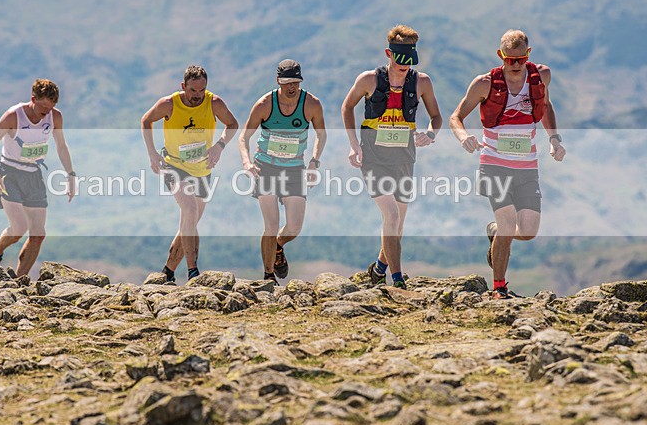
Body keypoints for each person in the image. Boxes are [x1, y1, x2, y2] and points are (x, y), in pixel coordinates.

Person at [449, 29, 566, 299]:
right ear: (500, 55)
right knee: (507, 222)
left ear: (528, 54)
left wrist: (554, 139)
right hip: (494, 164)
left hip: (527, 166)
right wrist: (464, 137)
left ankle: (494, 232)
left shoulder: (541, 76)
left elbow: (546, 106)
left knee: (528, 231)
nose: (515, 65)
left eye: (521, 59)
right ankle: (499, 288)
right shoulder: (484, 83)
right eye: (509, 59)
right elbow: (456, 117)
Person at [341, 25, 442, 289]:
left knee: (398, 223)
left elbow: (436, 117)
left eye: (410, 61)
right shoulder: (369, 80)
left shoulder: (422, 82)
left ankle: (378, 268)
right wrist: (354, 145)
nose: (405, 66)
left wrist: (430, 134)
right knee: (392, 216)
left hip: (404, 158)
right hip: (373, 157)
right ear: (389, 54)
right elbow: (347, 107)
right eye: (400, 60)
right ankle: (397, 279)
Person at [141, 65, 238, 283]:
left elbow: (232, 124)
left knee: (189, 222)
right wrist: (152, 153)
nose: (197, 95)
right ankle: (193, 271)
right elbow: (146, 120)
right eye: (193, 90)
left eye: (202, 90)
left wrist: (220, 146)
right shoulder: (169, 104)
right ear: (183, 86)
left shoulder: (214, 103)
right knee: (190, 209)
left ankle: (167, 272)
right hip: (174, 166)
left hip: (202, 170)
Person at [239, 59, 327, 285]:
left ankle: (278, 245)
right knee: (270, 224)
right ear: (278, 81)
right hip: (266, 167)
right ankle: (268, 276)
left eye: (295, 82)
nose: (292, 87)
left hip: (294, 168)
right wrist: (247, 162)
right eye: (287, 82)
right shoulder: (264, 104)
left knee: (294, 227)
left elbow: (322, 134)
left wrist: (314, 162)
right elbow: (244, 137)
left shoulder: (311, 104)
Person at [0, 78, 76, 277]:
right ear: (33, 99)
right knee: (19, 228)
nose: (46, 112)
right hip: (9, 173)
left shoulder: (55, 117)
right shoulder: (13, 116)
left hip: (33, 174)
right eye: (43, 107)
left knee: (38, 234)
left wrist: (71, 175)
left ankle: (19, 281)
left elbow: (61, 146)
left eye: (51, 108)